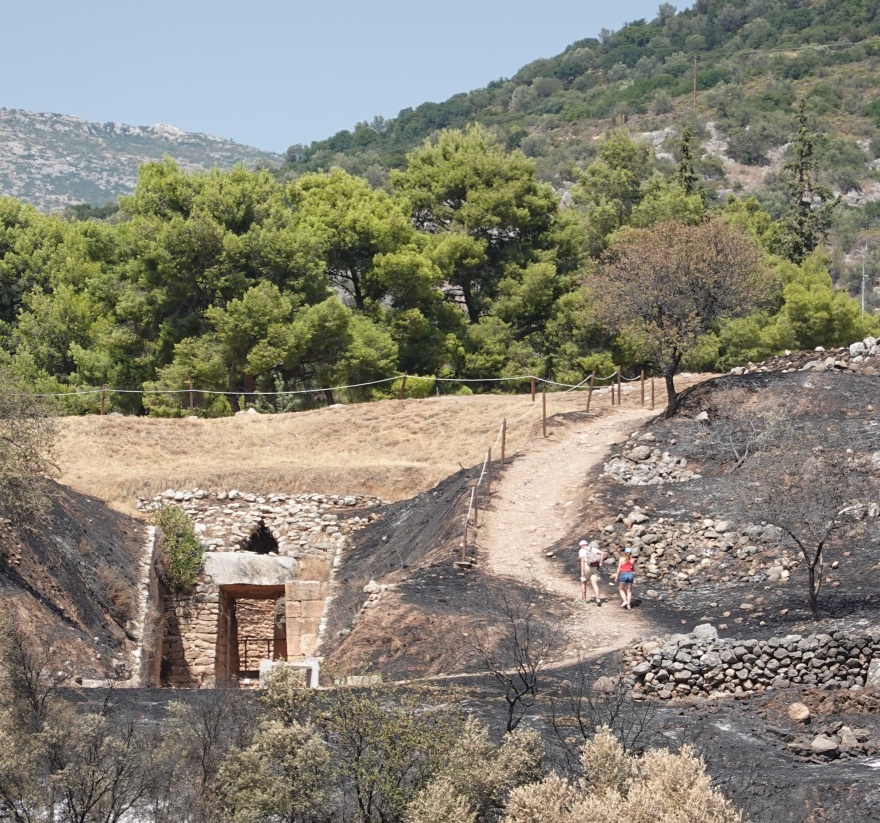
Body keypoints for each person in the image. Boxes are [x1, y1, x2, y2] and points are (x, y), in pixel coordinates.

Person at [585, 541, 606, 605]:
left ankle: (584, 599)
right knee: (594, 584)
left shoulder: (584, 550)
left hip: (587, 567)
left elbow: (582, 560)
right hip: (594, 567)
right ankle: (597, 598)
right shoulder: (595, 549)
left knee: (584, 583)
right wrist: (601, 563)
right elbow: (602, 553)